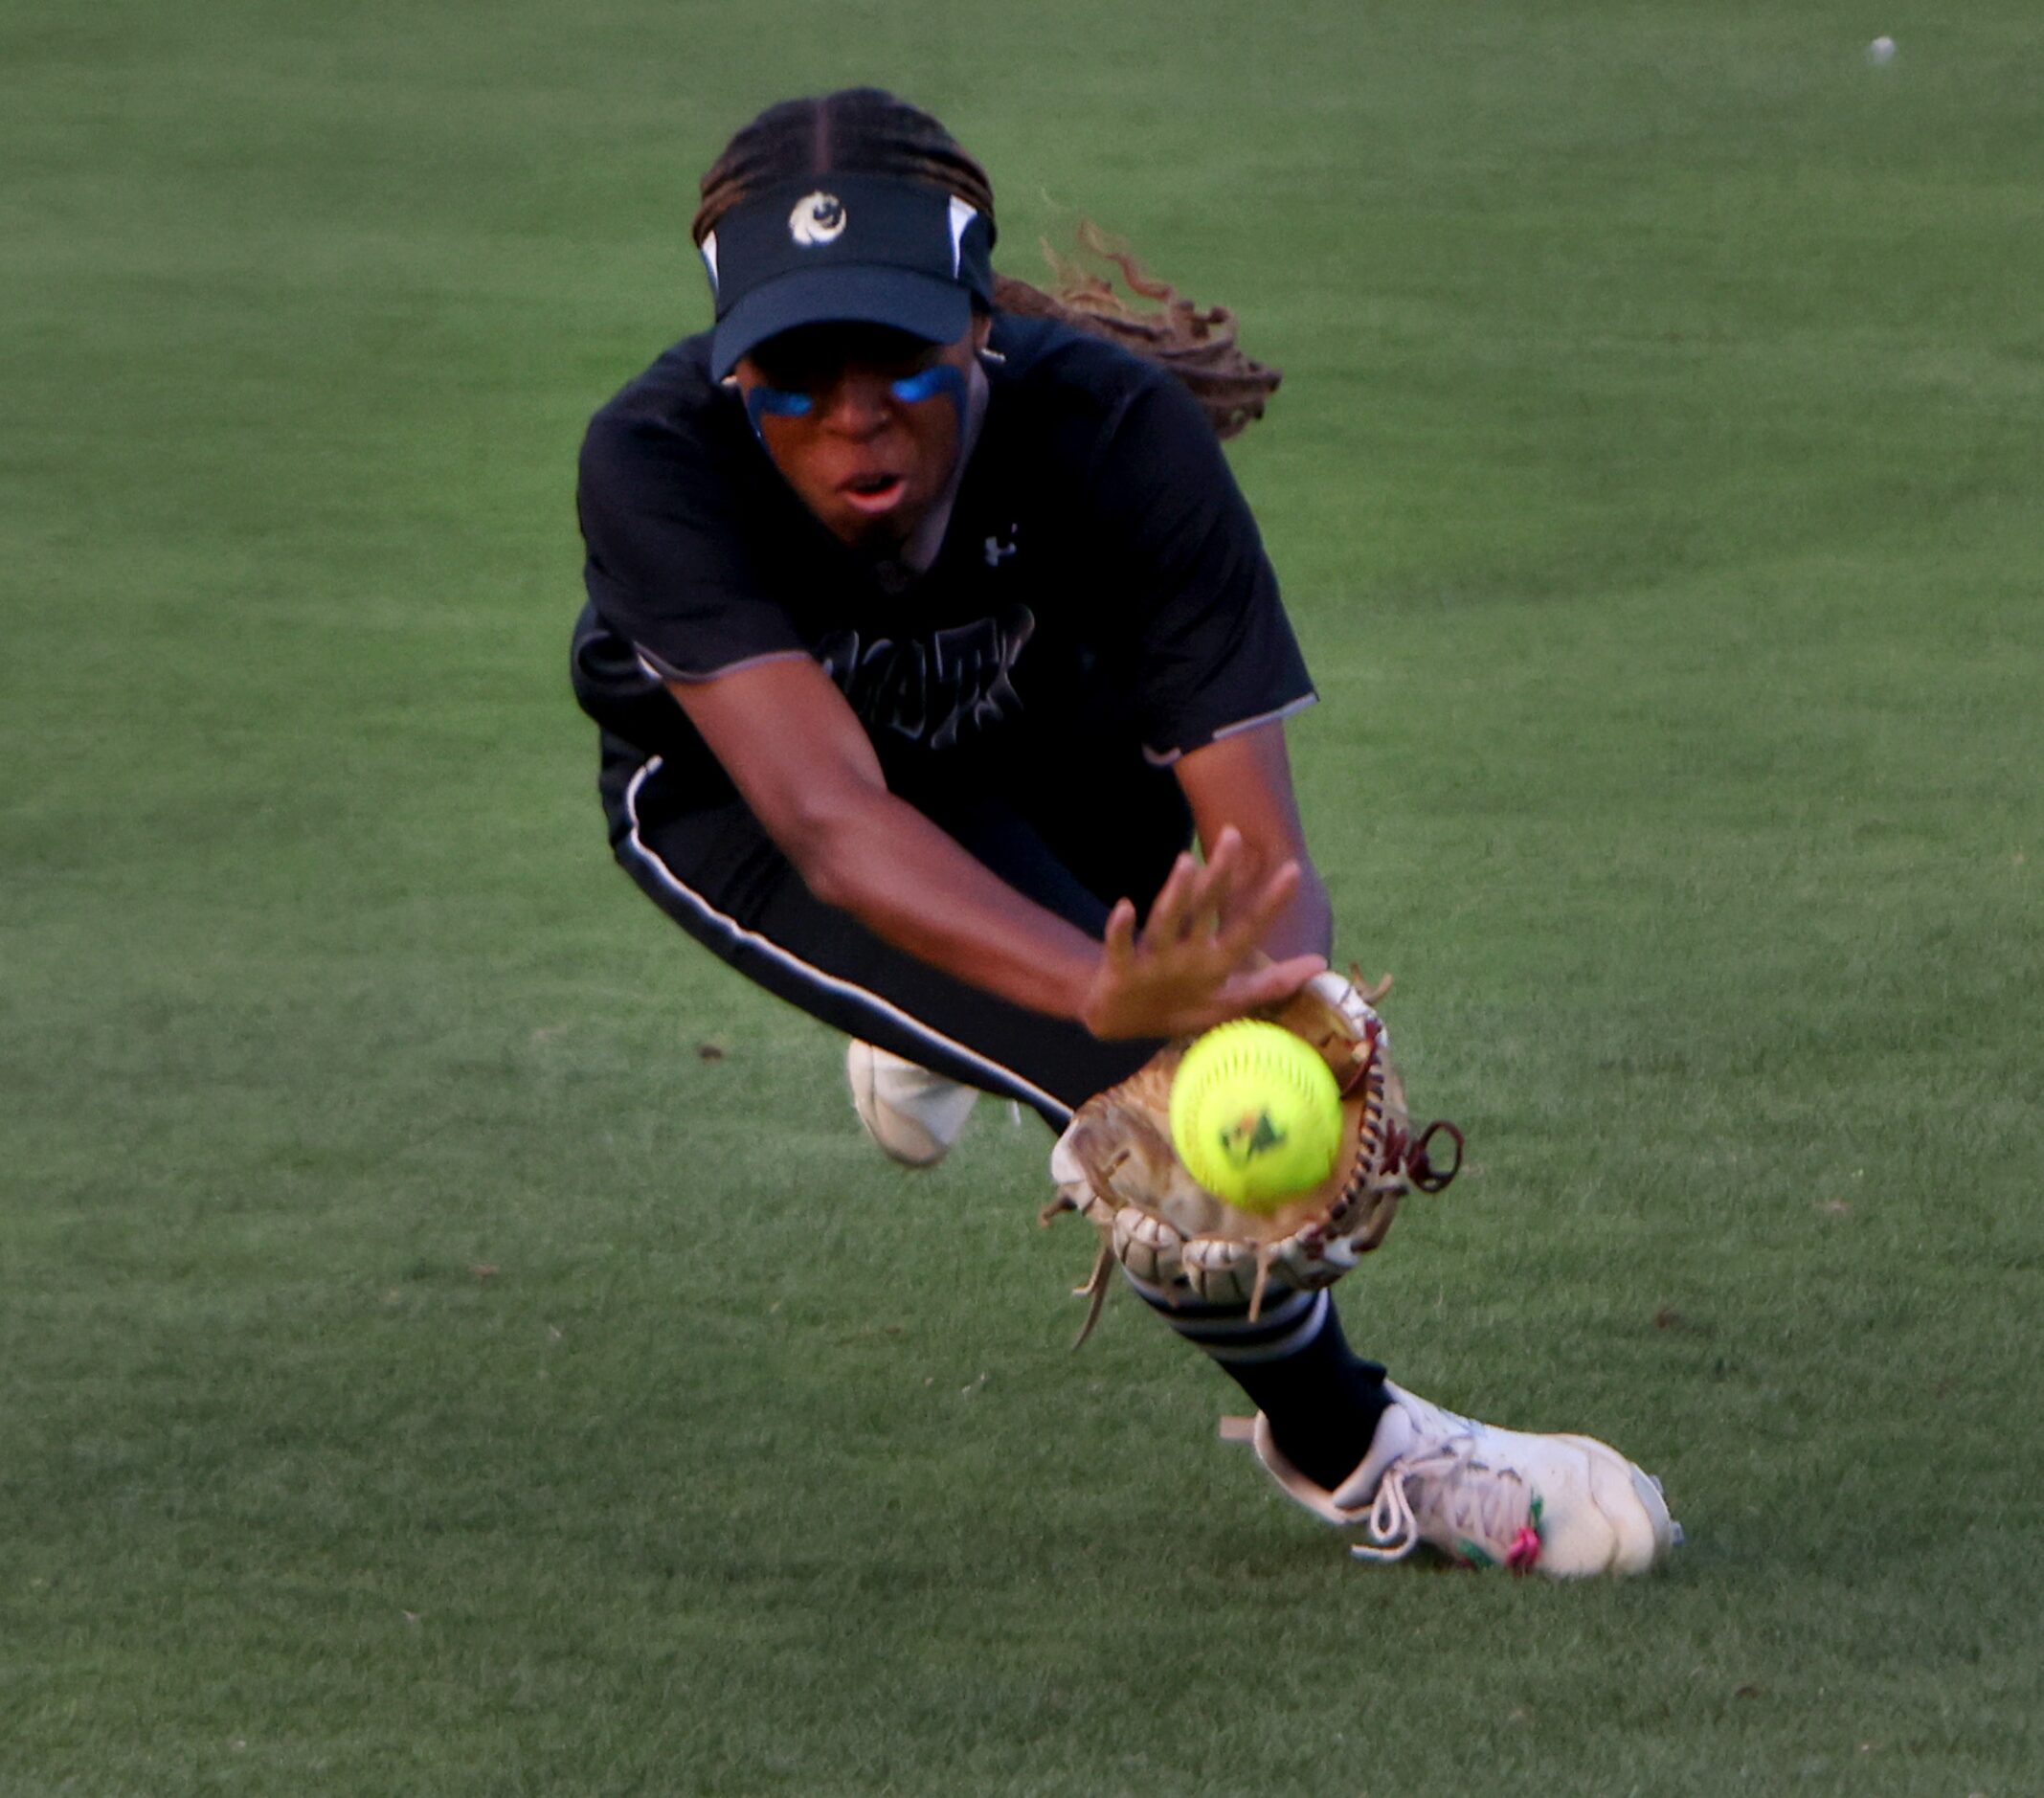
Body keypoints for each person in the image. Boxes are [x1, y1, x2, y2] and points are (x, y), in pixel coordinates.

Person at [571, 88, 1677, 1576]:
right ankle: (1360, 1451)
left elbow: (1253, 865)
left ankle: (951, 994)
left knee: (1196, 1057)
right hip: (744, 796)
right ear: (731, 371)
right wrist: (1107, 1006)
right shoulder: (658, 463)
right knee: (1117, 1075)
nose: (850, 415)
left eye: (896, 355)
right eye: (791, 373)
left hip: (1036, 732)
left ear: (977, 328)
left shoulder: (1112, 429)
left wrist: (1278, 1016)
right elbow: (833, 821)